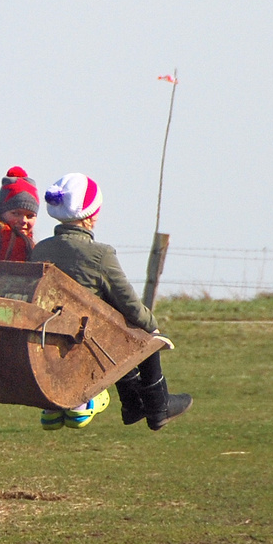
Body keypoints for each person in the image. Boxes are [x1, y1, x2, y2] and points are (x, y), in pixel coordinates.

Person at [33, 173, 192, 430]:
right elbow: (130, 305)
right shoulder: (100, 254)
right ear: (91, 215)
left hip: (46, 341)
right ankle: (156, 405)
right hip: (84, 343)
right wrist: (153, 325)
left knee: (118, 323)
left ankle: (135, 404)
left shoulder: (40, 250)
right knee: (142, 329)